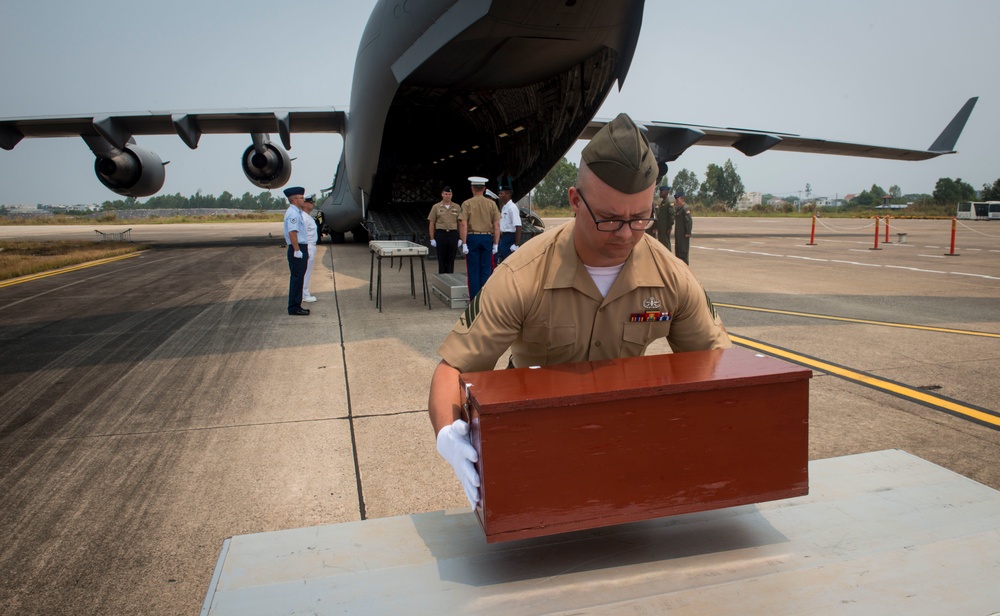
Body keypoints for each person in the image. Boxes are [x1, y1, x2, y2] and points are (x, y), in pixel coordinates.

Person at [429, 113, 732, 508]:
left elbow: (719, 363)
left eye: (640, 218)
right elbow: (453, 367)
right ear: (575, 200)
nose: (626, 234)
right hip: (534, 438)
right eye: (609, 219)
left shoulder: (671, 277)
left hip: (627, 440)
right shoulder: (523, 275)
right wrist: (448, 435)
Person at [459, 175, 500, 300]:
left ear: (472, 189)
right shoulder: (492, 204)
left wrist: (464, 243)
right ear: (484, 189)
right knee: (486, 269)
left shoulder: (467, 204)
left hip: (472, 237)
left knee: (473, 270)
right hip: (487, 238)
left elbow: (463, 224)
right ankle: (484, 298)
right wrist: (496, 244)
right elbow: (497, 225)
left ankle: (474, 300)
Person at [282, 186, 310, 316]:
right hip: (297, 247)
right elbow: (292, 232)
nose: (303, 200)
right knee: (297, 278)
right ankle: (294, 307)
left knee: (299, 278)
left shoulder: (296, 212)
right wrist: (297, 250)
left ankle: (296, 305)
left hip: (299, 247)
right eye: (301, 198)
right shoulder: (293, 214)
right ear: (294, 200)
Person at [427, 186, 461, 274]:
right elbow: (432, 223)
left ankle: (450, 277)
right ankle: (442, 278)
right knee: (441, 258)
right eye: (446, 194)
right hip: (441, 234)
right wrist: (432, 238)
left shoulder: (457, 207)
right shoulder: (436, 207)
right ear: (442, 194)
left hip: (453, 234)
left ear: (452, 195)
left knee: (451, 258)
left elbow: (460, 223)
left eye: (449, 194)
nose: (447, 196)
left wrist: (461, 238)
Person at [496, 181, 522, 263]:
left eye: (501, 193)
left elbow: (518, 226)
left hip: (509, 237)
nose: (499, 195)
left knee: (508, 261)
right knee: (503, 260)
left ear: (507, 194)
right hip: (503, 237)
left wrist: (516, 244)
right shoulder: (505, 207)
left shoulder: (512, 208)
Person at [301, 195, 319, 303]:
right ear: (305, 204)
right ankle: (304, 294)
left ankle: (304, 293)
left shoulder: (308, 217)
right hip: (307, 246)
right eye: (310, 202)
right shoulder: (303, 217)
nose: (312, 204)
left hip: (311, 246)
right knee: (305, 272)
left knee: (307, 271)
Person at [652, 184, 675, 252]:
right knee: (662, 244)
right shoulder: (662, 203)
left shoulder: (669, 203)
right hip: (661, 228)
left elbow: (671, 216)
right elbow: (659, 216)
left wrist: (669, 227)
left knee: (666, 244)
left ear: (665, 192)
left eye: (661, 192)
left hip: (665, 228)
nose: (660, 193)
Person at [674, 189, 693, 264]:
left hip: (684, 235)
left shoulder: (685, 208)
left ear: (682, 198)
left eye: (678, 199)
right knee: (678, 253)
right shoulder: (678, 209)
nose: (676, 201)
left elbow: (689, 221)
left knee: (683, 253)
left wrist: (688, 232)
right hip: (678, 235)